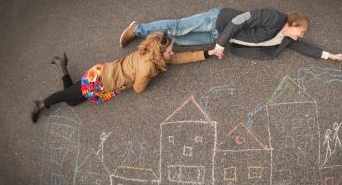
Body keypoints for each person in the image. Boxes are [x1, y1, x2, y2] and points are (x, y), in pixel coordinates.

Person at [31, 32, 213, 123]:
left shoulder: (151, 52)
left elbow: (180, 58)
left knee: (72, 98)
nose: (173, 53)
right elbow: (138, 89)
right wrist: (146, 78)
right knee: (68, 97)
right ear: (159, 53)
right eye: (170, 50)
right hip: (100, 81)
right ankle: (42, 103)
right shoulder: (148, 66)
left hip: (103, 72)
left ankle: (62, 65)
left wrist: (207, 53)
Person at [119, 7, 342, 61]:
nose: (301, 36)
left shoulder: (285, 39)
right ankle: (137, 29)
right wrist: (220, 44)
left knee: (179, 40)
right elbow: (241, 19)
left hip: (218, 39)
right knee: (178, 27)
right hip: (219, 20)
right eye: (302, 31)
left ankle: (149, 40)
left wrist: (328, 55)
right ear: (294, 23)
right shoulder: (275, 18)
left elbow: (304, 47)